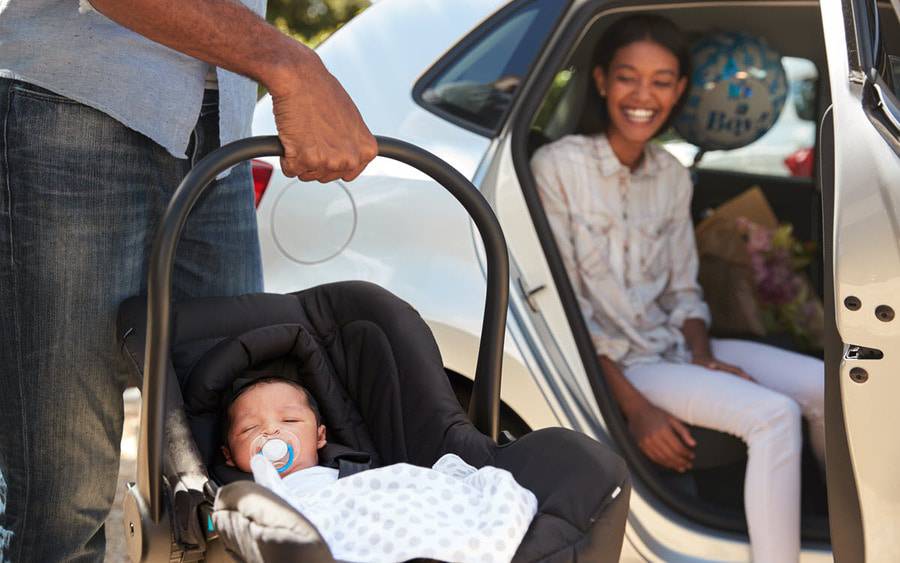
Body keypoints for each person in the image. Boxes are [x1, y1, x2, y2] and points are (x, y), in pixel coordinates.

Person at [0, 1, 377, 560]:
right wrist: (290, 65)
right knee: (61, 494)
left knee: (215, 476)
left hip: (219, 122)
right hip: (72, 101)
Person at [530, 14, 825, 562]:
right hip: (626, 363)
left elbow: (685, 288)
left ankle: (852, 534)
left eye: (662, 81)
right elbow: (566, 310)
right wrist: (636, 409)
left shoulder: (669, 173)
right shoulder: (558, 167)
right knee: (774, 416)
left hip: (674, 345)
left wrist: (702, 354)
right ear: (600, 80)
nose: (643, 96)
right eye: (627, 77)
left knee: (826, 385)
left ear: (680, 91)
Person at [220, 377, 538, 563]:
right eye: (250, 429)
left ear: (320, 436)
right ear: (229, 456)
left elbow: (399, 492)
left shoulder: (358, 475)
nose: (273, 433)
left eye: (289, 421)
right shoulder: (248, 496)